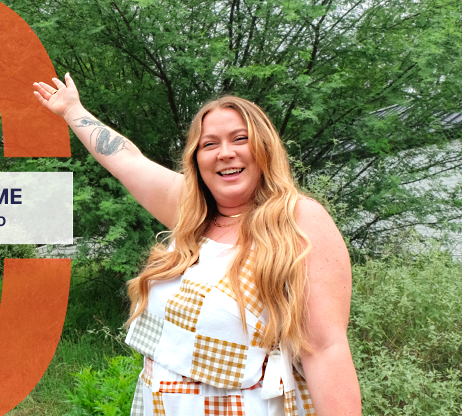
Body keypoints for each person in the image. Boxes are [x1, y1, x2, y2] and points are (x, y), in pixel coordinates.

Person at [33, 74, 361, 416]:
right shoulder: (191, 212)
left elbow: (325, 350)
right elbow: (127, 159)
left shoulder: (298, 219)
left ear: (265, 148)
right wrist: (72, 110)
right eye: (209, 144)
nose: (225, 153)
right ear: (196, 159)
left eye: (240, 139)